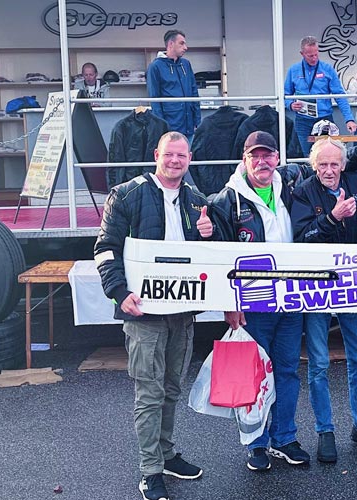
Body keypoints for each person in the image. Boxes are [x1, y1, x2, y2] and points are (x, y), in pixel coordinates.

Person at [208, 130, 357, 472]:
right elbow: (220, 254)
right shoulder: (228, 199)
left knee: (288, 370)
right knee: (255, 372)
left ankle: (285, 438)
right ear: (244, 160)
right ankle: (256, 443)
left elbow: (335, 162)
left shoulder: (287, 180)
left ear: (278, 159)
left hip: (292, 296)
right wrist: (228, 301)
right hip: (255, 299)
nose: (262, 162)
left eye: (268, 155)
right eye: (254, 156)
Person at [94, 132, 218, 500]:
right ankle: (150, 470)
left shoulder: (197, 201)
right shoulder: (127, 193)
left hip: (182, 311)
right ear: (156, 155)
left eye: (181, 155)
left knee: (172, 388)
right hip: (143, 312)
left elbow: (205, 259)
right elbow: (105, 248)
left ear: (190, 158)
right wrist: (118, 292)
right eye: (169, 154)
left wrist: (207, 236)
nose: (175, 161)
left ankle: (165, 454)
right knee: (149, 392)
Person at [290, 138, 357, 463]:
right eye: (323, 165)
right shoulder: (304, 190)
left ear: (343, 164)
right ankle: (325, 430)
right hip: (318, 285)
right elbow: (299, 236)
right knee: (319, 364)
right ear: (314, 165)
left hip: (353, 281)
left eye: (335, 164)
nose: (330, 170)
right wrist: (332, 218)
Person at [284, 36, 357, 156]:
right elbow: (285, 95)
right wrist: (290, 105)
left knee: (327, 154)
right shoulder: (293, 70)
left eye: (316, 54)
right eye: (310, 55)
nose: (314, 58)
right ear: (302, 53)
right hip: (303, 121)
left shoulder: (327, 69)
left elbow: (339, 95)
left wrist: (349, 119)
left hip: (325, 119)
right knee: (308, 157)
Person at [147, 29, 201, 141]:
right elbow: (154, 99)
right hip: (170, 126)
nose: (185, 47)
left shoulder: (186, 64)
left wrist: (197, 120)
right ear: (171, 44)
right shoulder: (155, 67)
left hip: (189, 125)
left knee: (187, 156)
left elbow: (194, 92)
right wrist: (161, 127)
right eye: (181, 43)